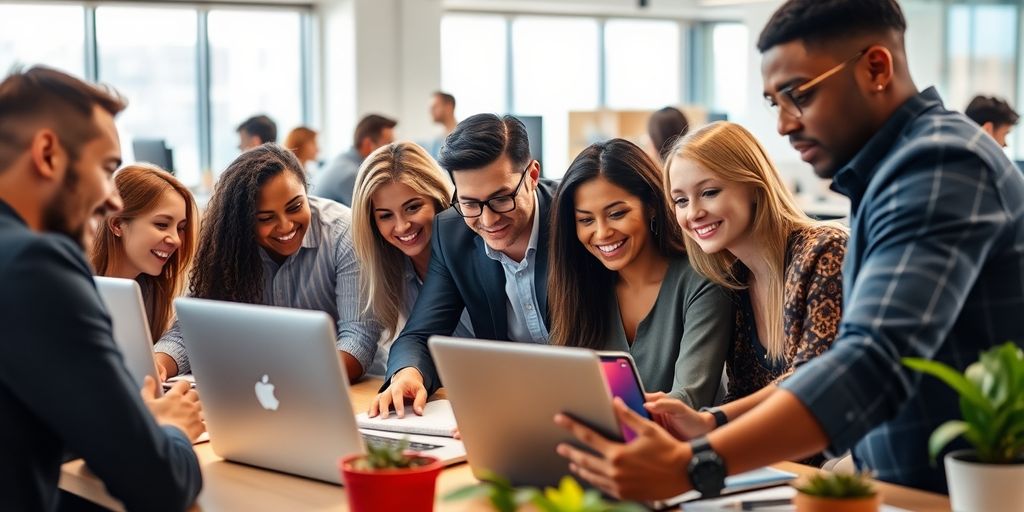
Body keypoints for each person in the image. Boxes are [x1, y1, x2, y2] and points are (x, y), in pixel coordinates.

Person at [553, 0, 1024, 499]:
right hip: (905, 486)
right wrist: (712, 421)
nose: (783, 124)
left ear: (876, 67)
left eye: (798, 95)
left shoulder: (937, 165)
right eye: (775, 102)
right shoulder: (890, 176)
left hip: (958, 494)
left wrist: (694, 464)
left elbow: (869, 363)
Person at [0, 66, 203, 511]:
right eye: (107, 168)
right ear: (48, 154)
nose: (113, 199)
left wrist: (126, 425)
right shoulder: (36, 264)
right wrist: (169, 430)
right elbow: (157, 485)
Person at [650, 121, 846, 455]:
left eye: (709, 192)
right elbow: (742, 394)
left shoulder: (824, 250)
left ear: (754, 186)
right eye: (680, 200)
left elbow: (812, 380)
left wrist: (711, 423)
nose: (693, 213)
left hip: (843, 460)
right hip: (781, 462)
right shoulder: (734, 279)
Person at [369, 114, 557, 418]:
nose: (488, 220)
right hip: (508, 403)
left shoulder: (575, 217)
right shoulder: (452, 232)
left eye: (501, 198)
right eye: (470, 203)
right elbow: (419, 335)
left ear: (532, 175)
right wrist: (408, 375)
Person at [153, 144, 381, 384]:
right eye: (265, 218)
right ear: (242, 222)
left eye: (295, 207)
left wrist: (282, 379)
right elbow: (189, 333)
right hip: (262, 390)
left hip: (350, 388)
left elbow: (358, 338)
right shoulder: (225, 245)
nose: (285, 226)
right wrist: (158, 363)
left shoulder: (342, 232)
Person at [548, 138, 732, 408]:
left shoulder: (701, 279)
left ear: (652, 206)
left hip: (680, 446)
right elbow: (556, 386)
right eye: (586, 220)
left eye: (617, 213)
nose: (601, 233)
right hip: (598, 442)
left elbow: (688, 401)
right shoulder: (581, 285)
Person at [350, 141, 474, 376]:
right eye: (386, 216)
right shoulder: (390, 272)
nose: (402, 226)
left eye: (413, 207)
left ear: (437, 199)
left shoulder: (475, 250)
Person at [91, 164, 198, 344]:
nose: (177, 240)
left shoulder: (150, 294)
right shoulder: (71, 286)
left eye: (180, 228)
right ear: (117, 224)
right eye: (162, 224)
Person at [314, 114, 397, 206]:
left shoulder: (342, 160)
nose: (392, 150)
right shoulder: (351, 175)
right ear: (368, 144)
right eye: (388, 144)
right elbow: (366, 217)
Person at [424, 91, 457, 158]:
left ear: (448, 107)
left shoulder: (465, 135)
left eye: (434, 107)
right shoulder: (436, 141)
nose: (430, 111)